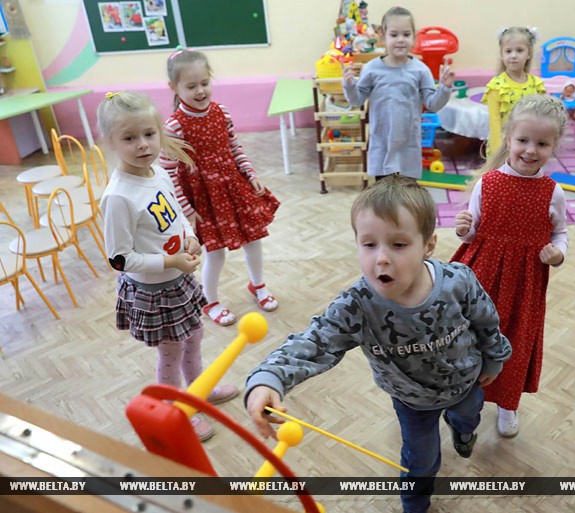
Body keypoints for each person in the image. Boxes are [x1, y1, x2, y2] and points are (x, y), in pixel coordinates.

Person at [245, 175, 511, 513]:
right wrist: (269, 378)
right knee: (420, 462)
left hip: (468, 383)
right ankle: (416, 505)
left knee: (467, 416)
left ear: (428, 244)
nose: (381, 259)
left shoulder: (458, 281)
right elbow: (316, 341)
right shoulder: (358, 304)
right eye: (369, 245)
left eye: (398, 245)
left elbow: (487, 320)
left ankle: (462, 431)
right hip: (412, 402)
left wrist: (494, 359)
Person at [97, 91, 238, 442]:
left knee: (195, 337)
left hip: (179, 280)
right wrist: (170, 261)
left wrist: (190, 238)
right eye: (129, 138)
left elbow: (176, 215)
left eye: (149, 134)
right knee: (171, 355)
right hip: (154, 290)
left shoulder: (156, 171)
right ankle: (177, 411)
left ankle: (198, 389)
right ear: (111, 142)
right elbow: (119, 258)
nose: (143, 145)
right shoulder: (119, 197)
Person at [451, 94, 569, 438]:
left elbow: (560, 232)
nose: (531, 150)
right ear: (508, 139)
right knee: (469, 337)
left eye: (542, 143)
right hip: (481, 277)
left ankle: (508, 404)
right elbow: (472, 234)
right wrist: (464, 229)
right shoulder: (488, 183)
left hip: (525, 283)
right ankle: (463, 401)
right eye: (523, 140)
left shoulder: (552, 192)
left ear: (554, 145)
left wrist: (557, 255)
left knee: (514, 341)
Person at [160, 47, 280, 327]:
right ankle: (209, 300)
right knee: (215, 253)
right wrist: (186, 209)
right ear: (173, 87)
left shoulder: (221, 112)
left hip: (233, 189)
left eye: (204, 83)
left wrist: (250, 173)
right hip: (203, 200)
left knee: (253, 240)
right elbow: (169, 175)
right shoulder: (174, 126)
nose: (200, 91)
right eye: (191, 86)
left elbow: (234, 147)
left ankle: (258, 285)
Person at [341, 6, 455, 180]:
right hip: (382, 146)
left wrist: (445, 88)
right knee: (385, 199)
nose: (400, 40)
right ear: (382, 38)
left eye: (406, 34)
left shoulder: (420, 70)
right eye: (394, 35)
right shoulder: (371, 69)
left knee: (407, 199)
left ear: (414, 38)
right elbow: (357, 100)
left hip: (408, 147)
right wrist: (349, 85)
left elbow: (433, 104)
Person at [483, 26, 546, 156]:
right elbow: (494, 122)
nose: (513, 56)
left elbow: (543, 117)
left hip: (530, 148)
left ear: (529, 53)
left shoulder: (536, 84)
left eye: (519, 50)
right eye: (508, 51)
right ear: (502, 54)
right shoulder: (496, 87)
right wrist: (498, 152)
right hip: (504, 149)